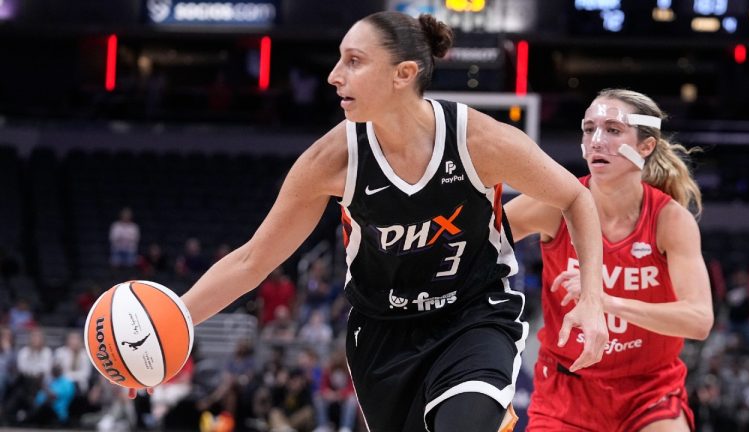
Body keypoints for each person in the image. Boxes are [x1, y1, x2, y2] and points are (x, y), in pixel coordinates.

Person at [130, 12, 608, 432]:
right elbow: (254, 259)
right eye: (339, 60)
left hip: (473, 313)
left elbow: (575, 198)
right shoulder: (332, 160)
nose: (335, 76)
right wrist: (171, 325)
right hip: (382, 332)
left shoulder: (480, 141)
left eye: (354, 62)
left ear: (403, 74)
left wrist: (592, 298)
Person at [504, 88, 714, 431]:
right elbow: (471, 242)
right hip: (566, 389)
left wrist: (603, 300)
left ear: (646, 146)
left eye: (613, 130)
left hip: (648, 391)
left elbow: (699, 320)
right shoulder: (554, 203)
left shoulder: (670, 220)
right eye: (589, 129)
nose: (597, 141)